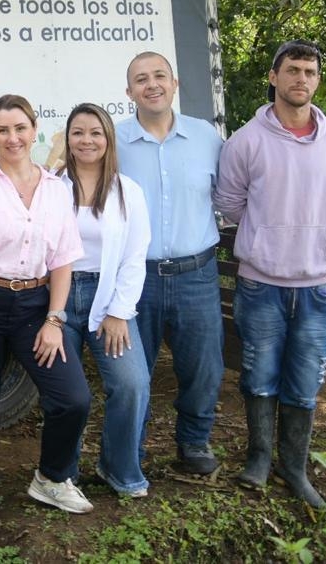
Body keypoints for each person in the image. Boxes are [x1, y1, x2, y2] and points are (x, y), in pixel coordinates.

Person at [215, 40, 326, 508]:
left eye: (310, 72)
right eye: (293, 70)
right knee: (258, 373)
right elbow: (230, 202)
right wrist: (267, 237)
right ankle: (258, 459)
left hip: (317, 285)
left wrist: (312, 229)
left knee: (304, 379)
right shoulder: (246, 141)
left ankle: (294, 468)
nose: (302, 79)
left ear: (317, 80)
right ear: (273, 77)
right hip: (261, 282)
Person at [0, 94, 93, 521]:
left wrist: (54, 319)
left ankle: (51, 478)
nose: (12, 138)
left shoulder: (55, 190)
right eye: (2, 130)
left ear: (34, 128)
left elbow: (64, 259)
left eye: (20, 128)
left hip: (34, 306)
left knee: (73, 398)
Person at [115, 51, 225, 476]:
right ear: (129, 92)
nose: (152, 84)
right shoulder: (115, 141)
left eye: (160, 75)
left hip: (195, 273)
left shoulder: (207, 138)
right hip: (136, 277)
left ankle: (194, 442)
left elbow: (232, 196)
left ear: (174, 83)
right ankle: (132, 448)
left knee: (204, 366)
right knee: (132, 371)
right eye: (141, 79)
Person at [56, 103, 153, 498]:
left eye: (95, 132)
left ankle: (119, 468)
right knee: (65, 394)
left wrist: (117, 312)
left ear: (108, 138)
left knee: (133, 383)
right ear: (68, 139)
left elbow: (135, 254)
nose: (87, 140)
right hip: (59, 298)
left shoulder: (127, 191)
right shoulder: (51, 185)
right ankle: (61, 474)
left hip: (108, 297)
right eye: (78, 132)